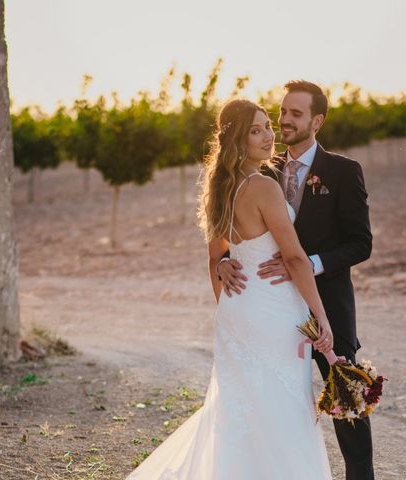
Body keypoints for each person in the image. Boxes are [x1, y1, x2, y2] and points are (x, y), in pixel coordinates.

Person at [127, 98, 333, 479]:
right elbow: (295, 258)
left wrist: (227, 303)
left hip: (238, 308)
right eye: (256, 130)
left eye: (268, 125)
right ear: (237, 138)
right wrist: (321, 317)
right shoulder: (263, 187)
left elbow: (215, 258)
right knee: (282, 408)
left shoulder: (220, 185)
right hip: (274, 311)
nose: (268, 135)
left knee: (242, 408)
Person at [218, 80, 374, 480]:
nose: (283, 121)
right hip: (274, 310)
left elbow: (361, 243)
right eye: (281, 112)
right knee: (280, 402)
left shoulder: (343, 171)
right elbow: (227, 232)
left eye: (295, 114)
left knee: (347, 403)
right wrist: (222, 262)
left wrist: (310, 263)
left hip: (327, 303)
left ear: (316, 121)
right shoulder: (259, 170)